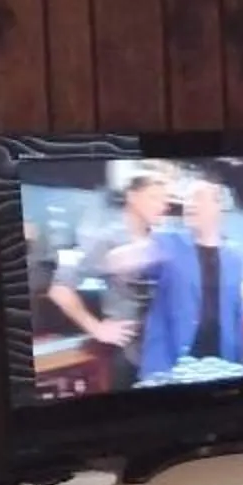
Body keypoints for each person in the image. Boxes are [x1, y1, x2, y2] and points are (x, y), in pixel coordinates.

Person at [45, 160, 170, 389]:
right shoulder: (104, 239)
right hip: (128, 358)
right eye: (155, 198)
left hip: (161, 352)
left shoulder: (161, 240)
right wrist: (96, 328)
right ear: (132, 197)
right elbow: (60, 290)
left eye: (164, 199)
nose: (163, 206)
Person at [138, 175, 243, 382]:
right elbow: (129, 258)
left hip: (221, 363)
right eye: (187, 198)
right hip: (170, 364)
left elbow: (237, 315)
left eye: (198, 197)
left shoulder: (235, 258)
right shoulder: (167, 243)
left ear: (218, 206)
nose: (189, 203)